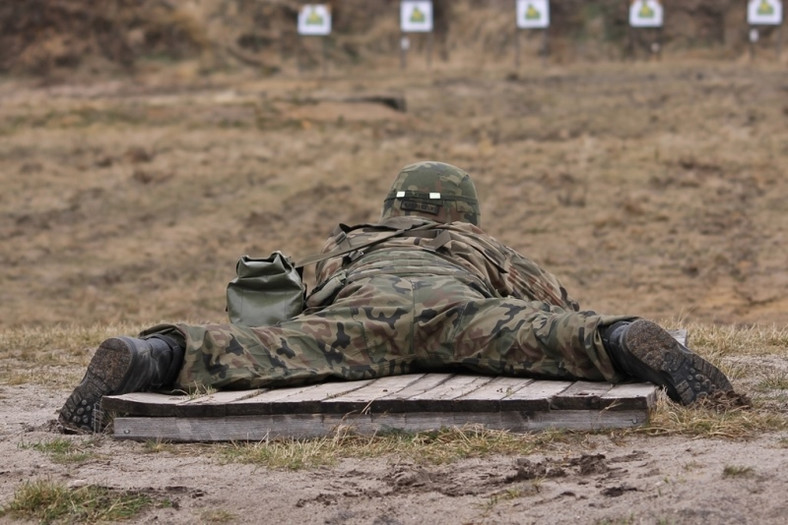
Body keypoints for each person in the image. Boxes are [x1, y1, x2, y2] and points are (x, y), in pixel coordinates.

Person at [59, 161, 734, 433]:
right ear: (466, 214)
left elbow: (279, 312)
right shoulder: (481, 245)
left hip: (357, 323)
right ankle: (629, 343)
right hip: (462, 317)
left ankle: (152, 352)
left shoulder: (348, 244)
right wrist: (592, 328)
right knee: (562, 337)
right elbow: (554, 305)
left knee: (246, 351)